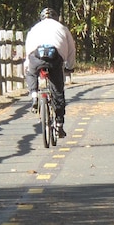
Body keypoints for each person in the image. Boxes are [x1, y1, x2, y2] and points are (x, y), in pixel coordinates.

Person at [24, 7, 76, 138]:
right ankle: (59, 124)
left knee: (31, 73)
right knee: (58, 90)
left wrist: (28, 64)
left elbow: (28, 49)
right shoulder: (62, 28)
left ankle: (34, 95)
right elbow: (71, 49)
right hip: (55, 58)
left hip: (36, 57)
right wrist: (70, 66)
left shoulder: (34, 29)